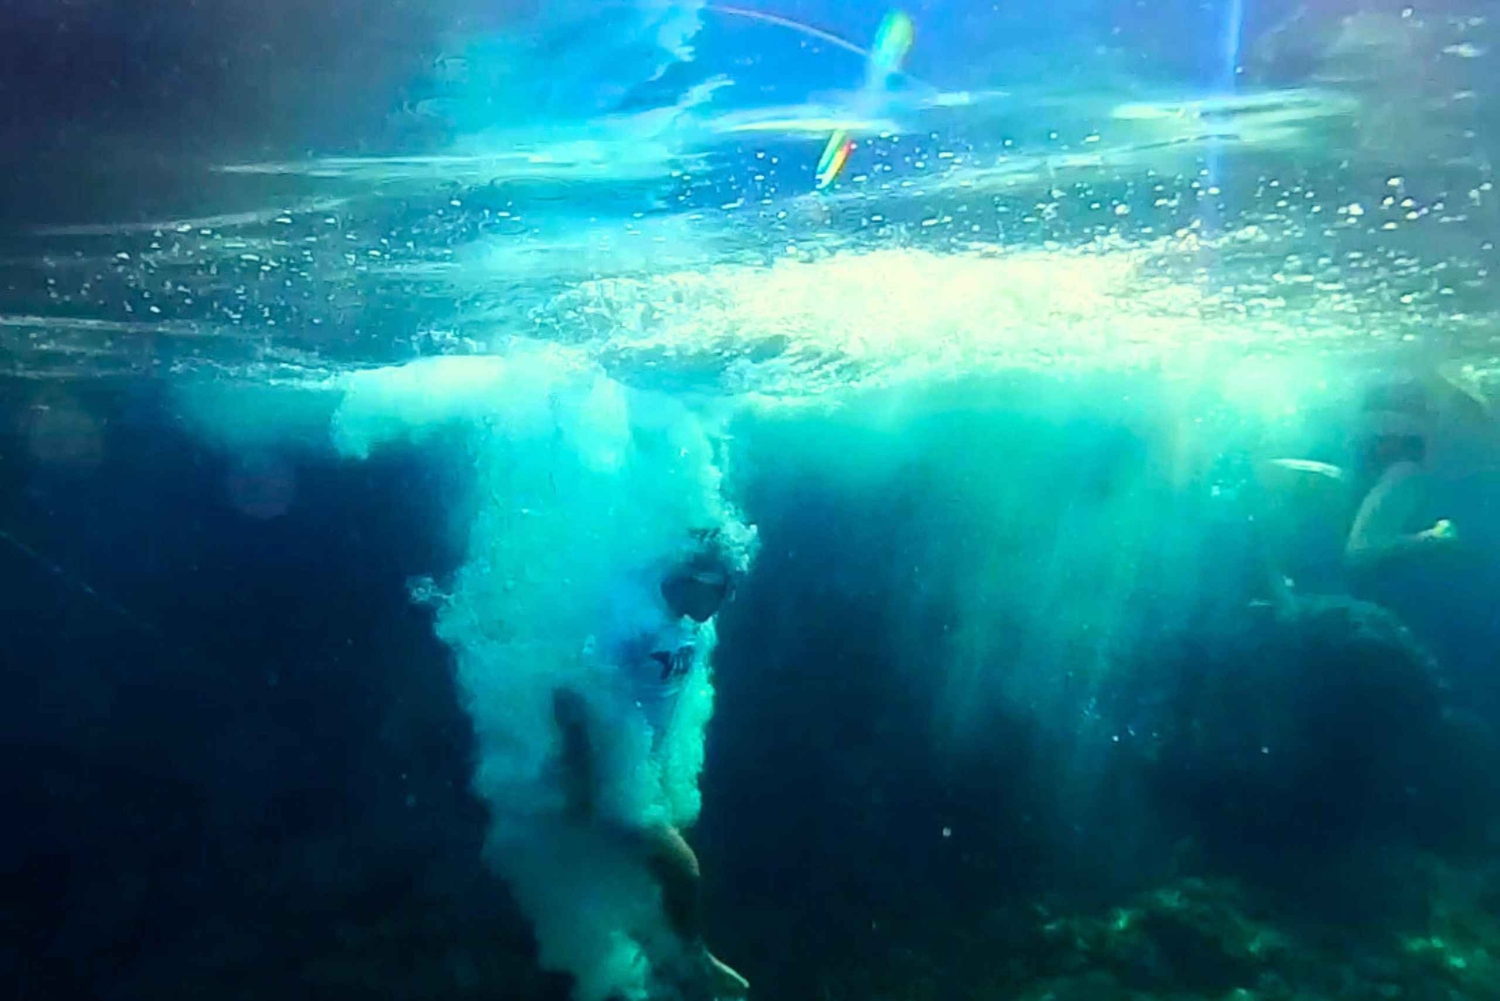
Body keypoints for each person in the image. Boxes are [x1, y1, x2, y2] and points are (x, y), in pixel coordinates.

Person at [552, 532, 750, 1001]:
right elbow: (569, 695)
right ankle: (693, 963)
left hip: (648, 768)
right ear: (699, 581)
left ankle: (651, 970)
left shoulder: (695, 624)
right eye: (725, 590)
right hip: (613, 774)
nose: (728, 602)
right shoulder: (633, 621)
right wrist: (583, 782)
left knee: (649, 878)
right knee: (684, 870)